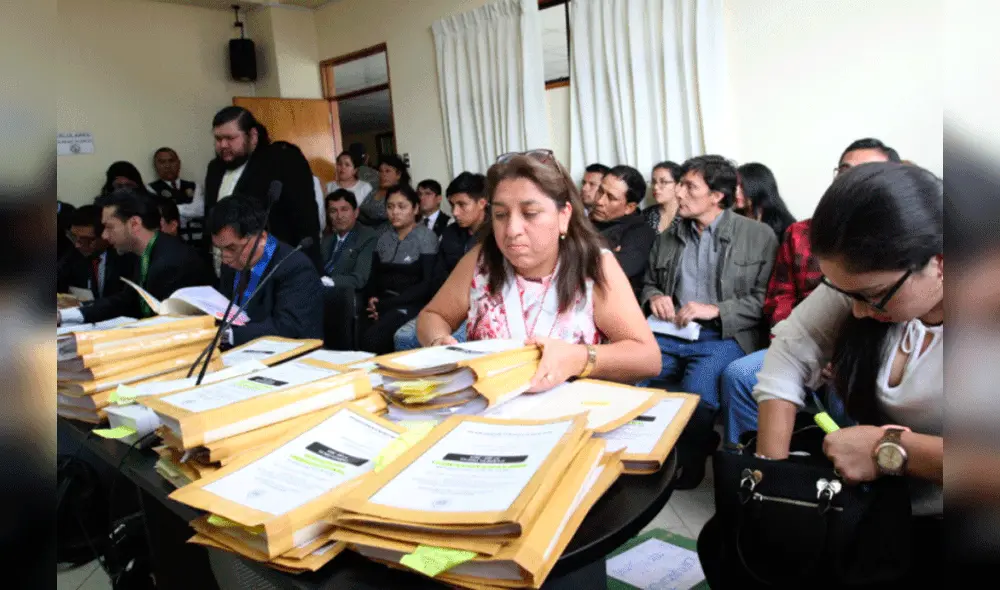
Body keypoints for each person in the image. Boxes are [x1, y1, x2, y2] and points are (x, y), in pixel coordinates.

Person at [736, 162, 942, 586]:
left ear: (939, 262)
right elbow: (790, 353)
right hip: (886, 512)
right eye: (844, 294)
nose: (857, 312)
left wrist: (890, 450)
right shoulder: (863, 283)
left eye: (871, 296)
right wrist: (772, 483)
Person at [417, 150, 661, 391]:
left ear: (564, 215)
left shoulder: (594, 265)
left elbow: (647, 358)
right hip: (489, 412)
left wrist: (578, 358)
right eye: (500, 214)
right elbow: (433, 316)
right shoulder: (481, 261)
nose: (512, 229)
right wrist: (439, 341)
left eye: (530, 213)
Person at [720, 138, 902, 445]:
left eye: (867, 171)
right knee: (738, 374)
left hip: (867, 349)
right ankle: (749, 466)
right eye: (844, 170)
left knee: (848, 387)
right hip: (803, 339)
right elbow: (779, 296)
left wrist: (845, 355)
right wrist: (801, 346)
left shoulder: (900, 238)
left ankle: (850, 479)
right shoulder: (802, 233)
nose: (851, 179)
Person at [640, 154, 778, 489]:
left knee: (699, 397)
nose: (679, 194)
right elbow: (650, 283)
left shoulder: (758, 236)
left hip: (724, 337)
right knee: (631, 378)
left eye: (689, 186)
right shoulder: (668, 236)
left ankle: (690, 461)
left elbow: (765, 300)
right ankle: (638, 459)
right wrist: (655, 296)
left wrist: (716, 310)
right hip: (670, 332)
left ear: (716, 195)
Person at [57, 188, 213, 325]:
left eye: (109, 227)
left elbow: (164, 324)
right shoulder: (146, 253)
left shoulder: (171, 262)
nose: (104, 235)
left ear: (134, 224)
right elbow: (126, 300)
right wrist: (64, 315)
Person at [203, 107, 321, 267]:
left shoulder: (281, 160)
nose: (223, 145)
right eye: (218, 139)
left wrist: (312, 267)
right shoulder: (214, 168)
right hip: (225, 267)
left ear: (252, 136)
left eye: (230, 138)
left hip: (271, 265)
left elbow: (306, 219)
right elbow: (210, 217)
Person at [393, 172, 488, 351]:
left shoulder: (494, 234)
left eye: (462, 205)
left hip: (477, 306)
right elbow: (438, 276)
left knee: (456, 343)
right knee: (403, 337)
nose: (455, 212)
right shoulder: (451, 233)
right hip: (448, 303)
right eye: (452, 205)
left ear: (481, 203)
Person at [212, 195, 323, 347]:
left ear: (261, 238)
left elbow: (288, 327)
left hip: (285, 357)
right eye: (219, 249)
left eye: (232, 248)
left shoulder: (295, 267)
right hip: (237, 354)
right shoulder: (230, 265)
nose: (225, 258)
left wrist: (227, 336)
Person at [359, 184, 439, 353]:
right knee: (354, 331)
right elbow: (373, 275)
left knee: (373, 338)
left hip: (410, 304)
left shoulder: (425, 237)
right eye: (390, 207)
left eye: (402, 207)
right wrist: (372, 299)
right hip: (382, 304)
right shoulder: (383, 238)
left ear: (415, 209)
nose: (395, 212)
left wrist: (385, 305)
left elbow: (426, 285)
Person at [319, 190, 378, 350]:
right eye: (333, 211)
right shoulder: (328, 237)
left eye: (344, 209)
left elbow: (359, 278)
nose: (339, 216)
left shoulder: (368, 236)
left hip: (347, 294)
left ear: (356, 212)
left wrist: (330, 281)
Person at [591, 165, 656, 298]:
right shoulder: (583, 220)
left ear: (629, 207)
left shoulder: (640, 234)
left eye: (611, 198)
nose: (599, 201)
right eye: (600, 191)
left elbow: (608, 275)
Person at [57, 204, 134, 299]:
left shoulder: (126, 257)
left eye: (87, 241)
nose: (77, 245)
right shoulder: (75, 253)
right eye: (73, 237)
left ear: (105, 235)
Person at [146, 147, 204, 233]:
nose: (167, 166)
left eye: (171, 161)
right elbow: (159, 215)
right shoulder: (150, 189)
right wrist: (189, 210)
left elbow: (200, 210)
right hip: (168, 239)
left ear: (179, 163)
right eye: (162, 162)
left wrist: (171, 210)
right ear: (156, 166)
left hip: (196, 238)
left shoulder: (195, 186)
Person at [734, 162, 797, 240]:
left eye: (742, 186)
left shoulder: (785, 227)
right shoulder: (732, 219)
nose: (736, 192)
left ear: (758, 187)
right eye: (735, 185)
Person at [358, 154, 410, 229]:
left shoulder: (402, 194)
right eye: (380, 171)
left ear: (398, 174)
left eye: (387, 171)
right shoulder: (373, 186)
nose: (383, 175)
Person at [643, 160, 682, 234]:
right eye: (654, 182)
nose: (655, 187)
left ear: (678, 185)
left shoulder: (689, 214)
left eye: (663, 182)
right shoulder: (646, 215)